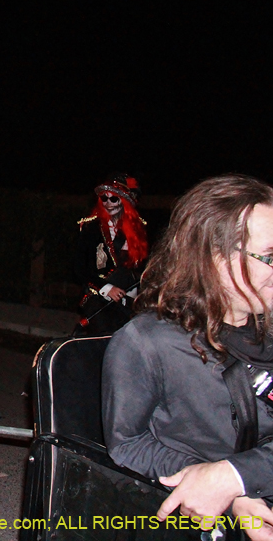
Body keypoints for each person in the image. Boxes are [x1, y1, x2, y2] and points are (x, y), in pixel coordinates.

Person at [102, 174, 273, 539]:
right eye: (271, 256)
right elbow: (127, 444)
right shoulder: (148, 343)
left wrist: (237, 477)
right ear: (214, 258)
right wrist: (215, 485)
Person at [73, 173, 148, 336]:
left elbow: (144, 265)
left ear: (125, 201)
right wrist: (107, 288)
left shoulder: (138, 229)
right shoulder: (91, 227)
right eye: (104, 198)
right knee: (104, 338)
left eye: (113, 199)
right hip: (98, 298)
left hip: (128, 299)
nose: (108, 203)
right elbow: (80, 268)